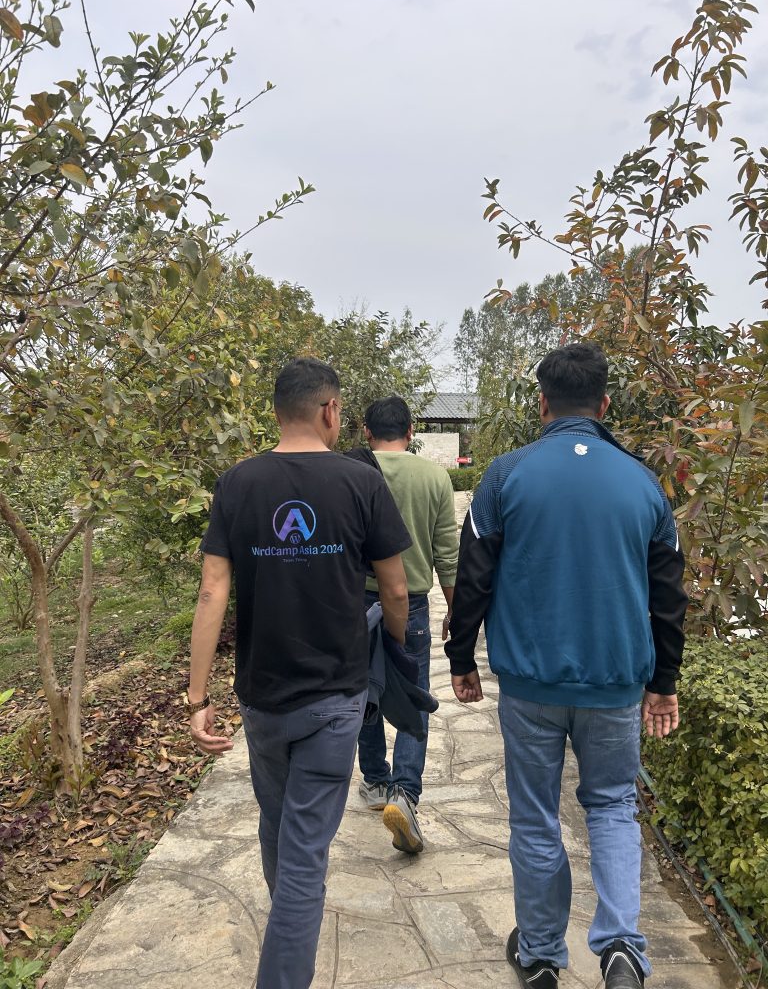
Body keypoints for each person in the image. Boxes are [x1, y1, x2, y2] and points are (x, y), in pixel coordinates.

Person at [445, 342, 688, 989]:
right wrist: (663, 683)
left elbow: (475, 575)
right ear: (605, 404)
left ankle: (543, 953)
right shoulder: (643, 483)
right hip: (615, 683)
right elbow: (669, 594)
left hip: (530, 683)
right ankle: (622, 950)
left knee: (534, 815)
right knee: (611, 807)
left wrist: (461, 656)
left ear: (542, 403)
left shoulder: (505, 475)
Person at [186, 358, 412, 989]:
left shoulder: (238, 483)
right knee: (305, 853)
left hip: (263, 696)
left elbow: (212, 591)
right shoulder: (360, 484)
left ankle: (287, 914)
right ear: (330, 410)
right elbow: (394, 589)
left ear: (277, 410)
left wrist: (196, 696)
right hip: (335, 696)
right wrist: (394, 649)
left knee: (277, 820)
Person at [355, 395, 459, 854]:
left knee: (365, 691)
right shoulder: (434, 477)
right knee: (414, 697)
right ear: (411, 431)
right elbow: (447, 555)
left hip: (355, 603)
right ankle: (405, 793)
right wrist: (456, 610)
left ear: (365, 431)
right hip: (412, 602)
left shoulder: (349, 473)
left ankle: (375, 781)